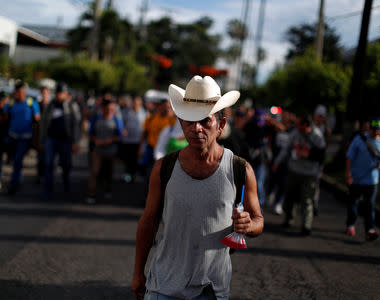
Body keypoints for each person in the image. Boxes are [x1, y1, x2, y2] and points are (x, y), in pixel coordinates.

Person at [132, 75, 264, 300]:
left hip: (211, 290)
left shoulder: (241, 170)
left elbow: (258, 220)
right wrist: (138, 273)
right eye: (189, 121)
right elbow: (149, 221)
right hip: (162, 286)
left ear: (221, 125)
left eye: (205, 121)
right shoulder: (164, 168)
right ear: (181, 122)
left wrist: (248, 224)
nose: (196, 129)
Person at [273, 113, 325, 236]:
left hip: (309, 173)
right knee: (290, 197)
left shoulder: (317, 136)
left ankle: (306, 226)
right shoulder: (295, 134)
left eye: (299, 124)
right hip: (294, 171)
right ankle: (289, 219)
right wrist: (277, 162)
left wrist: (309, 155)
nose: (296, 126)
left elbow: (322, 155)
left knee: (307, 200)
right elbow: (286, 149)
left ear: (306, 125)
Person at [345, 117, 380, 241]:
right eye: (373, 129)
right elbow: (349, 157)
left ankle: (370, 229)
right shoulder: (359, 140)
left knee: (369, 205)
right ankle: (351, 224)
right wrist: (348, 174)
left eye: (378, 130)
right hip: (357, 179)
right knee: (353, 204)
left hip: (372, 180)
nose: (375, 132)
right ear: (369, 128)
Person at [38, 83, 81, 200]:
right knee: (48, 165)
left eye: (61, 93)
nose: (59, 96)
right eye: (57, 93)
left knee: (66, 165)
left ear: (66, 94)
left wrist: (76, 142)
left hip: (65, 140)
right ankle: (47, 190)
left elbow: (76, 125)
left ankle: (67, 187)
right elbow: (43, 125)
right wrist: (41, 141)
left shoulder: (71, 106)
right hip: (51, 138)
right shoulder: (50, 106)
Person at [4, 81, 40, 194]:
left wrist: (36, 139)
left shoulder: (31, 102)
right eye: (16, 92)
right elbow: (4, 116)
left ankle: (14, 183)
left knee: (18, 159)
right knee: (15, 160)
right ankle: (18, 177)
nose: (18, 94)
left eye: (19, 92)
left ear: (24, 92)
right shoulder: (11, 103)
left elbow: (37, 120)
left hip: (25, 137)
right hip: (12, 136)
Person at [86, 99, 123, 204]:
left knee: (109, 171)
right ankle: (91, 193)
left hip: (111, 150)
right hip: (98, 150)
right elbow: (90, 133)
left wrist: (109, 141)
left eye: (112, 109)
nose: (110, 110)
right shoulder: (96, 118)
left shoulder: (116, 119)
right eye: (108, 108)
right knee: (95, 171)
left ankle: (108, 188)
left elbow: (120, 135)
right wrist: (96, 140)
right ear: (102, 108)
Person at [121, 95, 147, 182]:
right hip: (127, 140)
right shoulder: (126, 112)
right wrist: (123, 130)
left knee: (136, 159)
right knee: (128, 159)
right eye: (134, 102)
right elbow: (122, 123)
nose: (136, 103)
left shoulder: (144, 113)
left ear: (140, 103)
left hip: (138, 140)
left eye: (137, 102)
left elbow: (145, 128)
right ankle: (128, 176)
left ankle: (134, 175)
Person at [36, 86, 51, 184]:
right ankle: (40, 175)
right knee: (40, 158)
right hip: (40, 135)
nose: (44, 95)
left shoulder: (51, 105)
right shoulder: (39, 105)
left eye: (46, 93)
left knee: (48, 159)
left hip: (50, 136)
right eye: (43, 93)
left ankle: (47, 177)